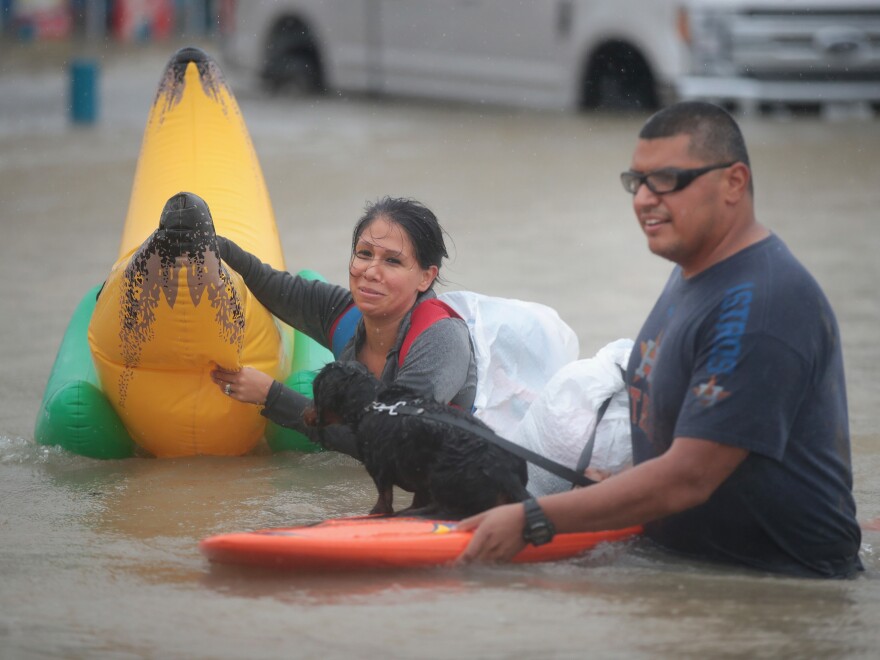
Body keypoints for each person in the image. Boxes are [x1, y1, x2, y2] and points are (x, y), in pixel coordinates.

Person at [457, 101, 863, 579]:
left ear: (734, 182)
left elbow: (691, 476)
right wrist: (621, 486)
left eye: (667, 179)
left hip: (774, 587)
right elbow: (697, 444)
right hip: (690, 571)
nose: (645, 198)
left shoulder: (762, 304)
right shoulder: (694, 274)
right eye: (637, 181)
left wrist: (535, 519)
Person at [211, 196, 477, 457]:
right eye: (364, 254)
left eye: (392, 261)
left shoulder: (441, 339)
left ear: (425, 277)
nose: (371, 271)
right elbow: (269, 284)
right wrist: (209, 245)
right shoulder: (345, 315)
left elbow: (392, 438)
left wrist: (272, 396)